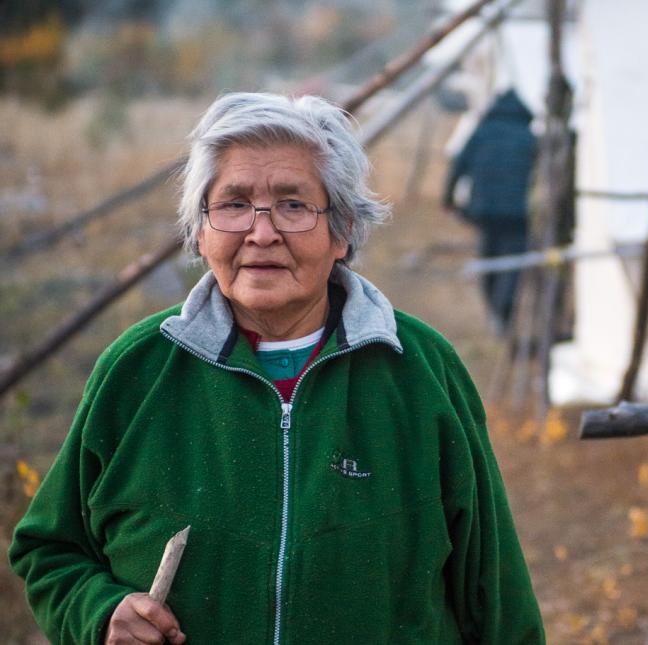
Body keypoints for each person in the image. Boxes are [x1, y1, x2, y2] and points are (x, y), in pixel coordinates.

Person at [9, 92, 545, 644]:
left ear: (342, 233)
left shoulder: (420, 372)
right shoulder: (137, 370)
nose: (261, 234)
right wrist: (101, 613)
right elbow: (50, 551)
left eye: (293, 205)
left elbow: (496, 594)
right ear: (200, 231)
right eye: (234, 205)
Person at [442, 89, 536, 333]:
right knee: (511, 264)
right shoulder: (528, 136)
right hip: (517, 213)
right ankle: (502, 312)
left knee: (489, 257)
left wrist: (448, 199)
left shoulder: (482, 132)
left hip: (483, 209)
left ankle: (495, 311)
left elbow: (458, 165)